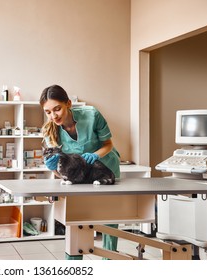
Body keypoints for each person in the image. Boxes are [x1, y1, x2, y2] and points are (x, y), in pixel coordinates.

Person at [40, 84, 121, 260]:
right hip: (79, 178)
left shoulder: (92, 115)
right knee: (76, 221)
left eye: (57, 109)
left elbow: (108, 144)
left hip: (104, 170)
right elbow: (60, 172)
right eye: (48, 112)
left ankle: (110, 264)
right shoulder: (50, 132)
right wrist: (52, 167)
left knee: (109, 222)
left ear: (68, 103)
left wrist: (94, 155)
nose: (53, 116)